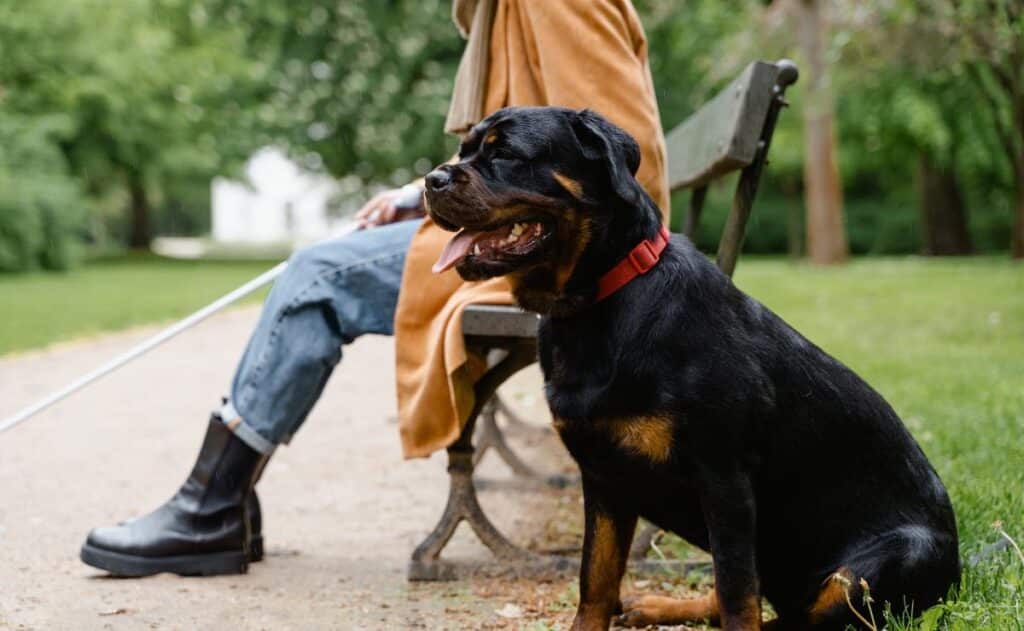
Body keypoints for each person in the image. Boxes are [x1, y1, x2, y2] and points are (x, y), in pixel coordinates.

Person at [80, 0, 671, 577]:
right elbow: (514, 147)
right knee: (318, 267)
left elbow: (617, 148)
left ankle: (210, 508)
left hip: (574, 262)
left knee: (316, 277)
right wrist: (417, 197)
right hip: (520, 236)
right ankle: (224, 502)